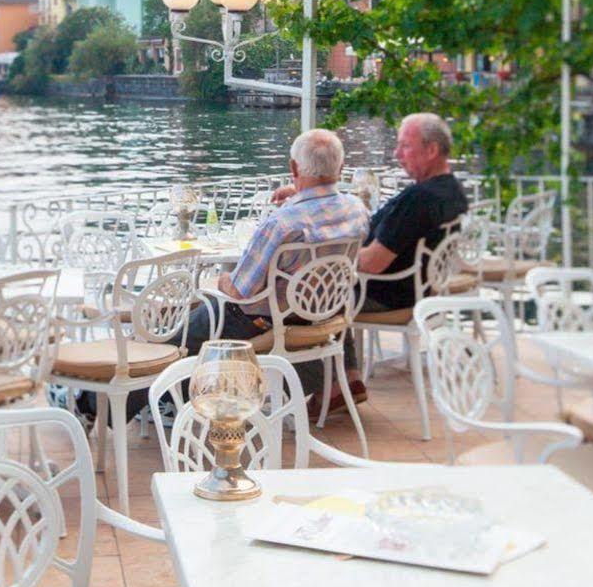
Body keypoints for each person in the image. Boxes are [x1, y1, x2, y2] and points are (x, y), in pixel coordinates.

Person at [323, 114, 466, 405]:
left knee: (311, 295)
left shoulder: (420, 199)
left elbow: (373, 262)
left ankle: (334, 383)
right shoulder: (452, 192)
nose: (396, 154)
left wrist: (332, 256)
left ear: (431, 150)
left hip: (387, 295)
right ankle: (348, 377)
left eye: (404, 146)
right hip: (420, 289)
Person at [183, 129, 368, 354]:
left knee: (177, 336)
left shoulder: (282, 224)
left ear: (293, 168)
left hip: (265, 323)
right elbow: (323, 205)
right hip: (323, 314)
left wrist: (219, 280)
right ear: (341, 168)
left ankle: (174, 384)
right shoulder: (356, 209)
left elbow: (241, 291)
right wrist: (299, 194)